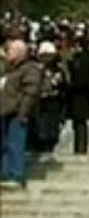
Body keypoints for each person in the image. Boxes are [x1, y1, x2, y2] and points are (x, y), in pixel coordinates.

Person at [1, 40, 43, 189]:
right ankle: (4, 173)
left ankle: (16, 175)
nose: (6, 53)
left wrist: (23, 112)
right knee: (4, 145)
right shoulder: (9, 69)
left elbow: (31, 92)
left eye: (10, 51)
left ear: (19, 53)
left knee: (15, 144)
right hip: (4, 112)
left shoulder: (29, 69)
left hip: (17, 113)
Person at [64, 33, 89, 155]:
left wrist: (70, 87)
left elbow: (80, 79)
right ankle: (79, 147)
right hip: (80, 95)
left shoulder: (84, 59)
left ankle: (80, 148)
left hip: (81, 95)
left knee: (80, 123)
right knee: (78, 123)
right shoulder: (81, 58)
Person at [30, 40, 69, 161]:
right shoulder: (35, 69)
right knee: (39, 130)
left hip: (53, 103)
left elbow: (63, 87)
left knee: (51, 129)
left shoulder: (58, 70)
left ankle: (48, 148)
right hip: (39, 104)